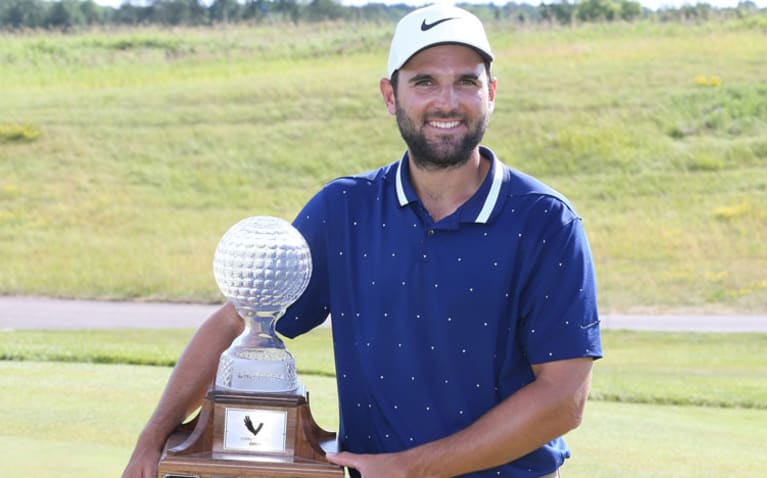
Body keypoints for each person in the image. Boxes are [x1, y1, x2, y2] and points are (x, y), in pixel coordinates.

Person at [122, 4, 602, 478]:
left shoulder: (545, 221)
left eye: (467, 81)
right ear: (390, 96)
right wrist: (154, 438)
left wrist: (410, 470)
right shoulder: (344, 210)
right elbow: (240, 320)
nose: (448, 102)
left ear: (491, 92)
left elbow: (563, 399)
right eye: (424, 82)